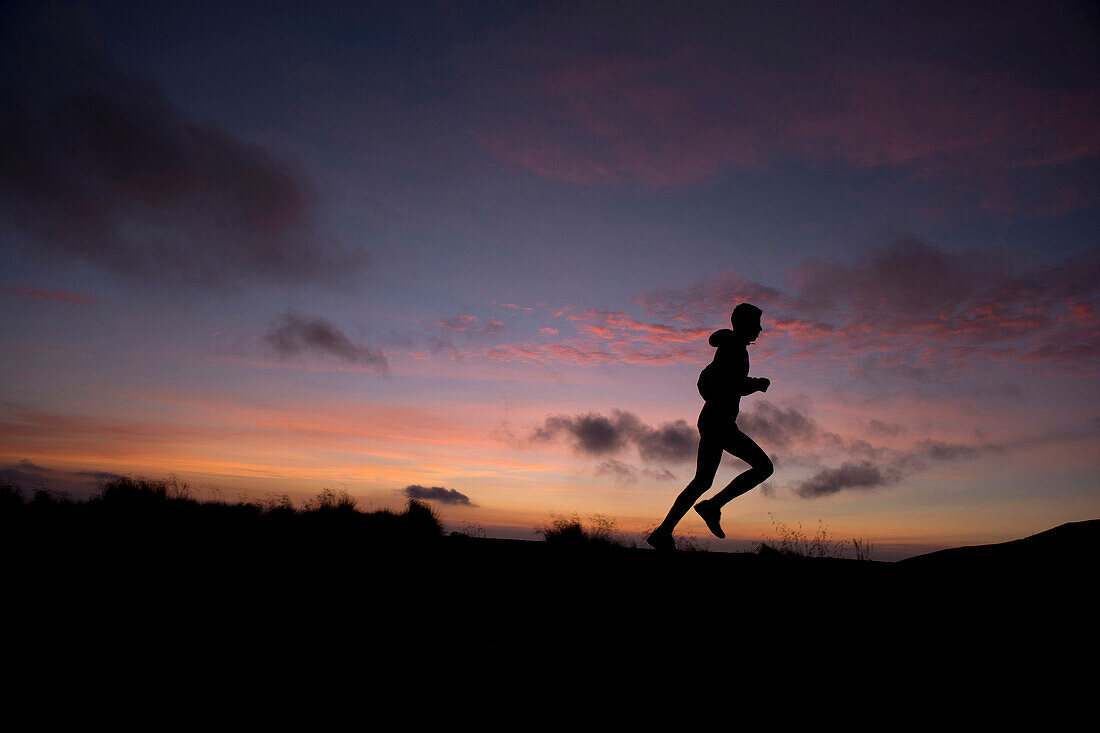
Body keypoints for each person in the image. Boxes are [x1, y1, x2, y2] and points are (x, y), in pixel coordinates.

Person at [647, 303, 774, 551]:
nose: (760, 329)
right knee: (763, 467)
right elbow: (733, 384)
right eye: (756, 323)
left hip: (712, 421)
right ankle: (712, 506)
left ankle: (663, 532)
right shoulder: (735, 348)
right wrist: (757, 384)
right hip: (719, 423)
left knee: (702, 481)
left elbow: (727, 382)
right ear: (745, 324)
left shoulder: (731, 346)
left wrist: (749, 384)